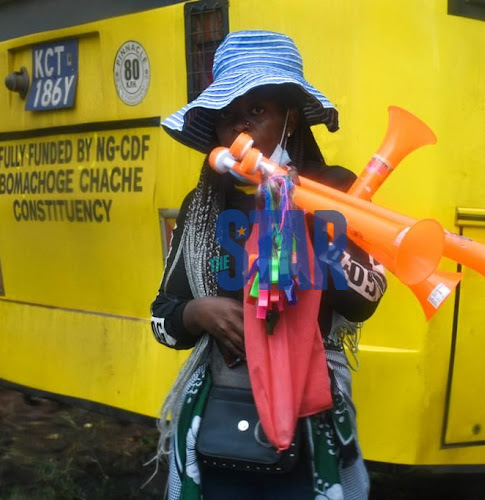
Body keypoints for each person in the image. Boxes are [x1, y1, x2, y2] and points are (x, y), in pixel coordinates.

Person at [150, 30, 386, 499]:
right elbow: (162, 318)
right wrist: (198, 314)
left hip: (312, 423)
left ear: (291, 120)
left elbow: (367, 299)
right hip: (218, 422)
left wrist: (305, 218)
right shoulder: (201, 208)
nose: (240, 130)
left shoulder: (336, 191)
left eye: (257, 112)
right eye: (228, 118)